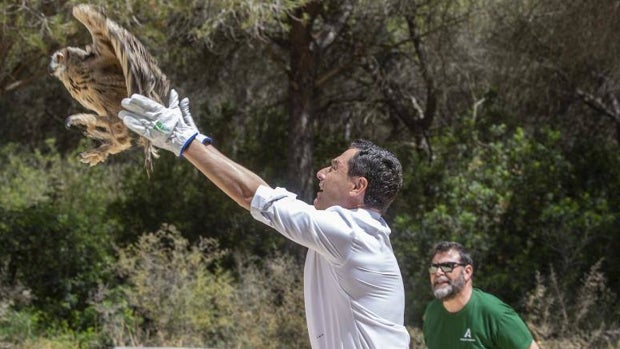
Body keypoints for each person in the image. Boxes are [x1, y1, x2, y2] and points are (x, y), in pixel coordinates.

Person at [118, 90, 411, 348]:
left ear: (357, 186)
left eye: (334, 168)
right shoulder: (354, 233)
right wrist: (199, 148)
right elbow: (259, 194)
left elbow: (253, 195)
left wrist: (182, 140)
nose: (321, 173)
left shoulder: (352, 233)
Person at [423, 241, 540, 349]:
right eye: (434, 267)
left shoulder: (496, 314)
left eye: (447, 266)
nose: (438, 273)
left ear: (467, 272)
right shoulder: (432, 313)